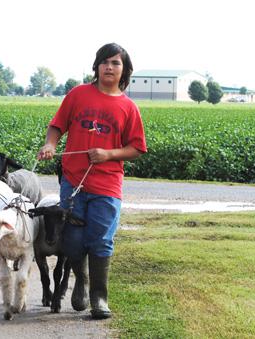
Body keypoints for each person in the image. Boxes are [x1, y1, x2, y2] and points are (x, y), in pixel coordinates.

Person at [37, 43, 147, 319]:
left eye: (115, 63)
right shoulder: (78, 95)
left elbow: (136, 149)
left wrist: (108, 154)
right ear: (96, 66)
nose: (109, 67)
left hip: (107, 185)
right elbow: (57, 126)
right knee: (72, 241)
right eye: (104, 62)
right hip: (73, 182)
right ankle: (82, 281)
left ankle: (99, 297)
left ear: (124, 70)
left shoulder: (128, 107)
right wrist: (50, 144)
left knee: (100, 241)